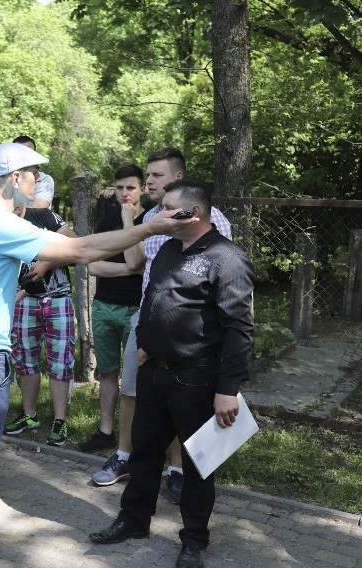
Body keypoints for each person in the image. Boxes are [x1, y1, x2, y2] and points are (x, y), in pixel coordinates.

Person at [0, 142, 196, 568]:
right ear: (15, 178)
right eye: (34, 175)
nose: (37, 183)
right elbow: (81, 251)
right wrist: (148, 228)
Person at [89, 179, 255, 568]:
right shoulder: (166, 248)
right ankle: (133, 520)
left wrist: (228, 389)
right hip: (155, 372)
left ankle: (194, 541)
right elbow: (153, 297)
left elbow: (239, 329)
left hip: (198, 378)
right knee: (144, 453)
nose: (158, 213)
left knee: (198, 465)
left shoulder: (226, 258)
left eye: (166, 208)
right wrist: (146, 341)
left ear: (192, 214)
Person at [90, 149, 231, 498]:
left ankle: (178, 469)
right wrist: (129, 218)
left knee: (179, 399)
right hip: (146, 319)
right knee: (132, 389)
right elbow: (136, 262)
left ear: (178, 178)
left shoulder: (214, 221)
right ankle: (125, 457)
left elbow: (224, 276)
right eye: (148, 176)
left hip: (191, 328)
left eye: (156, 176)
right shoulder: (150, 217)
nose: (148, 181)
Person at [78, 163, 150, 454]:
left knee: (136, 379)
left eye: (130, 188)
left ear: (141, 189)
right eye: (119, 188)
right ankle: (105, 431)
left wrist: (128, 222)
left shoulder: (150, 220)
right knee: (107, 372)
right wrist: (130, 269)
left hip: (135, 309)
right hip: (104, 306)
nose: (124, 194)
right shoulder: (107, 220)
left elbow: (138, 262)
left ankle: (135, 440)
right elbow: (92, 265)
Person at [3, 204, 77, 446]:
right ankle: (29, 414)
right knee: (25, 358)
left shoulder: (44, 216)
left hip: (58, 298)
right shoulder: (0, 221)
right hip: (23, 299)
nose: (10, 205)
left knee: (60, 359)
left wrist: (47, 264)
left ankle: (59, 420)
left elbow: (75, 244)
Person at [12, 136, 54, 208]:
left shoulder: (44, 180)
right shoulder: (4, 179)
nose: (24, 158)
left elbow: (37, 210)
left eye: (28, 153)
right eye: (19, 153)